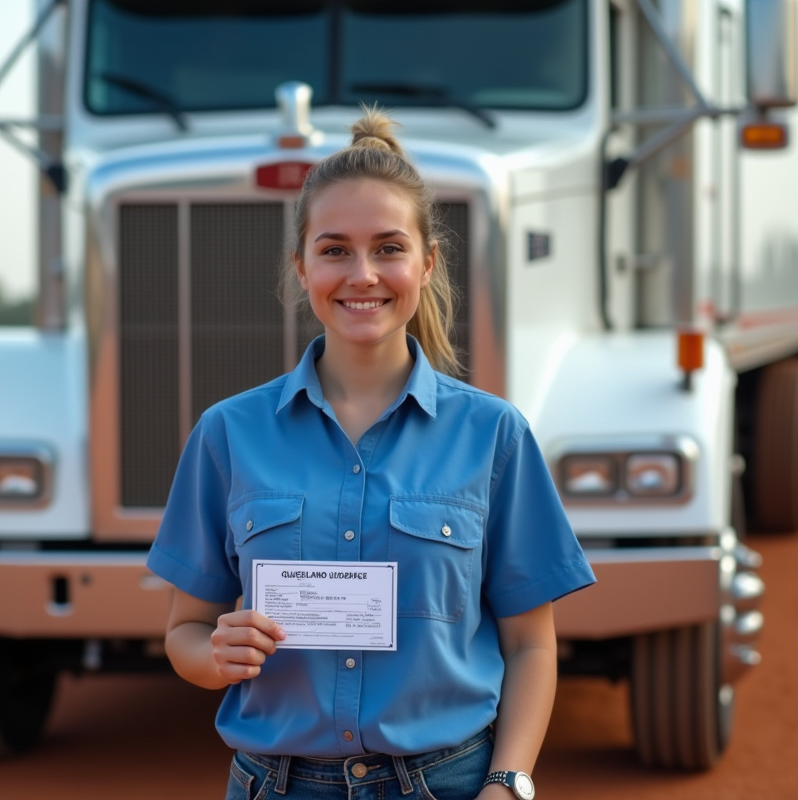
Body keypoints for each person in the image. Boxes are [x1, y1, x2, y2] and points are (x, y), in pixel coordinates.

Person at [147, 108, 595, 800]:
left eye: (389, 248)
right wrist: (213, 655)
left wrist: (509, 783)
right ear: (301, 268)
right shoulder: (227, 433)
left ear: (427, 263)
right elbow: (185, 631)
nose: (363, 275)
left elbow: (531, 644)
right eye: (335, 250)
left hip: (446, 784)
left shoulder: (494, 434)